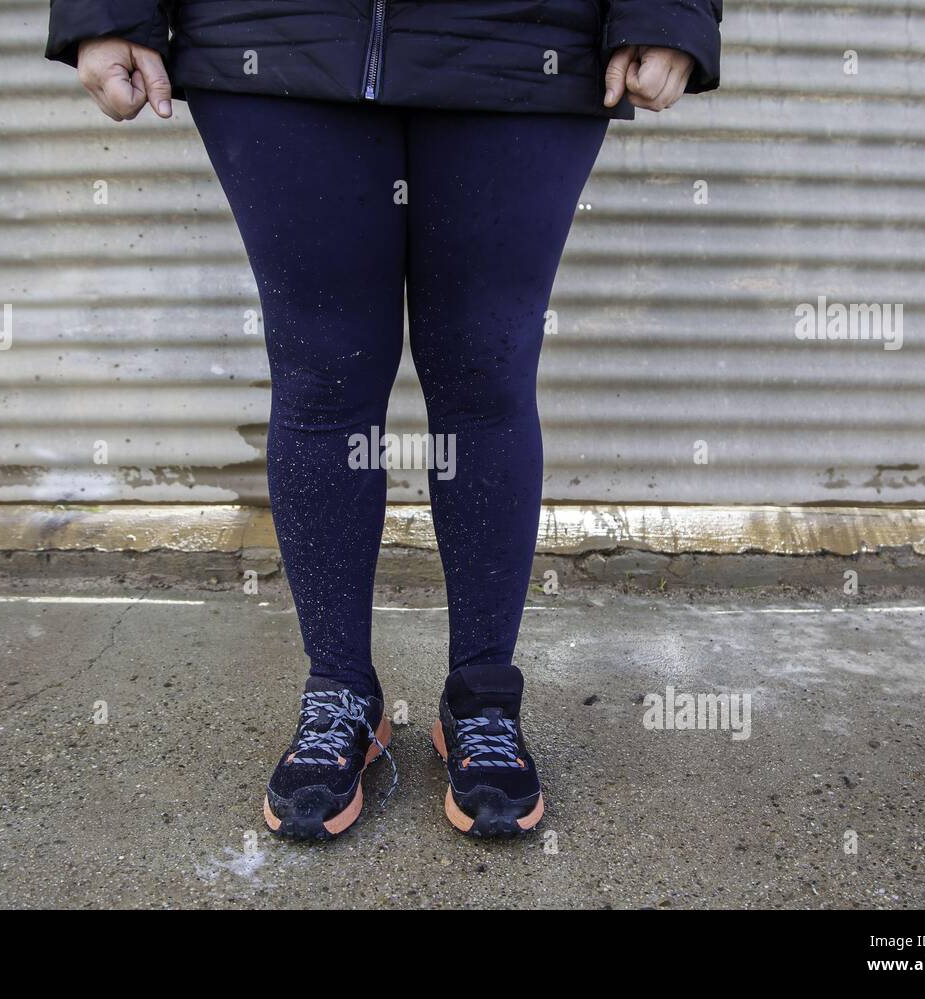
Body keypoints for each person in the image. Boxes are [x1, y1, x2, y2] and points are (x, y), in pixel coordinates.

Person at [46, 0, 722, 840]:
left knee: (486, 377)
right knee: (323, 379)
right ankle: (341, 693)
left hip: (522, 36)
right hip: (275, 30)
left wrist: (670, 8)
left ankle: (481, 697)